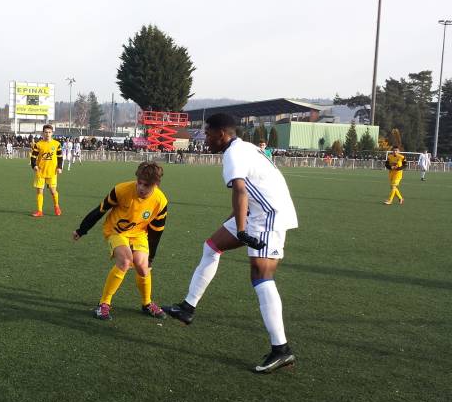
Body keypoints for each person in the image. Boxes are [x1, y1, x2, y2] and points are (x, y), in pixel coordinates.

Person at [163, 113, 298, 374]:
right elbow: (249, 190)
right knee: (212, 246)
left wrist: (242, 229)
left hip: (268, 216)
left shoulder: (233, 154)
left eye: (208, 134)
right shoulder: (243, 148)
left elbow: (240, 190)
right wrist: (235, 223)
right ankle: (187, 307)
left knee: (261, 275)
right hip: (256, 212)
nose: (205, 139)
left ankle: (281, 349)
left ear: (222, 133)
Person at [73, 161, 168, 320]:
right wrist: (82, 230)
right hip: (115, 231)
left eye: (146, 185)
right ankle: (104, 304)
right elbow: (100, 210)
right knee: (125, 261)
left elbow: (156, 232)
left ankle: (147, 303)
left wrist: (150, 258)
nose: (141, 188)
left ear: (156, 185)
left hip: (139, 234)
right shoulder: (121, 190)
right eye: (139, 183)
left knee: (143, 267)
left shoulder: (160, 201)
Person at [30, 124, 62, 217]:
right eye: (46, 132)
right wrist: (34, 165)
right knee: (40, 191)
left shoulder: (57, 144)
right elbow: (33, 157)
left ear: (52, 133)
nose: (47, 134)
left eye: (49, 132)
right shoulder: (38, 144)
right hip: (40, 172)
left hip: (52, 171)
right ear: (43, 133)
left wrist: (59, 167)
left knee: (53, 191)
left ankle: (56, 206)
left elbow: (60, 157)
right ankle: (39, 211)